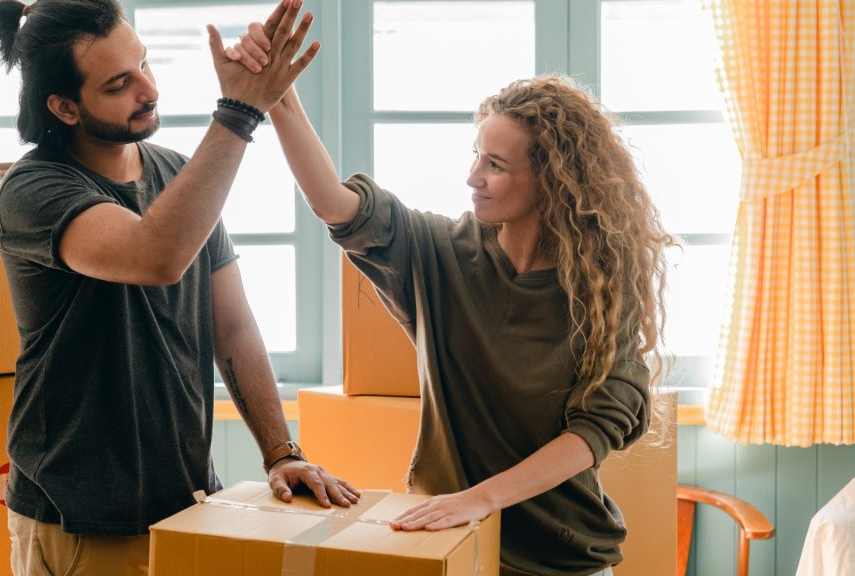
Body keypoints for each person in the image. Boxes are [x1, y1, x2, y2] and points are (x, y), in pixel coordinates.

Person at [230, 15, 673, 576]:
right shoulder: (439, 251)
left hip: (560, 560)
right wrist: (278, 96)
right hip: (444, 544)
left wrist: (480, 499)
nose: (472, 176)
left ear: (553, 180)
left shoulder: (600, 290)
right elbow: (334, 204)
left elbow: (593, 433)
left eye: (495, 165)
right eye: (476, 154)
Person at [0, 1, 358, 574]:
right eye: (118, 84)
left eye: (145, 65)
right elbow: (154, 256)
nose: (148, 89)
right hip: (78, 519)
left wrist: (281, 453)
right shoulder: (34, 190)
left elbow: (231, 326)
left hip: (186, 504)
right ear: (64, 107)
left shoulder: (181, 176)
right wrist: (239, 111)